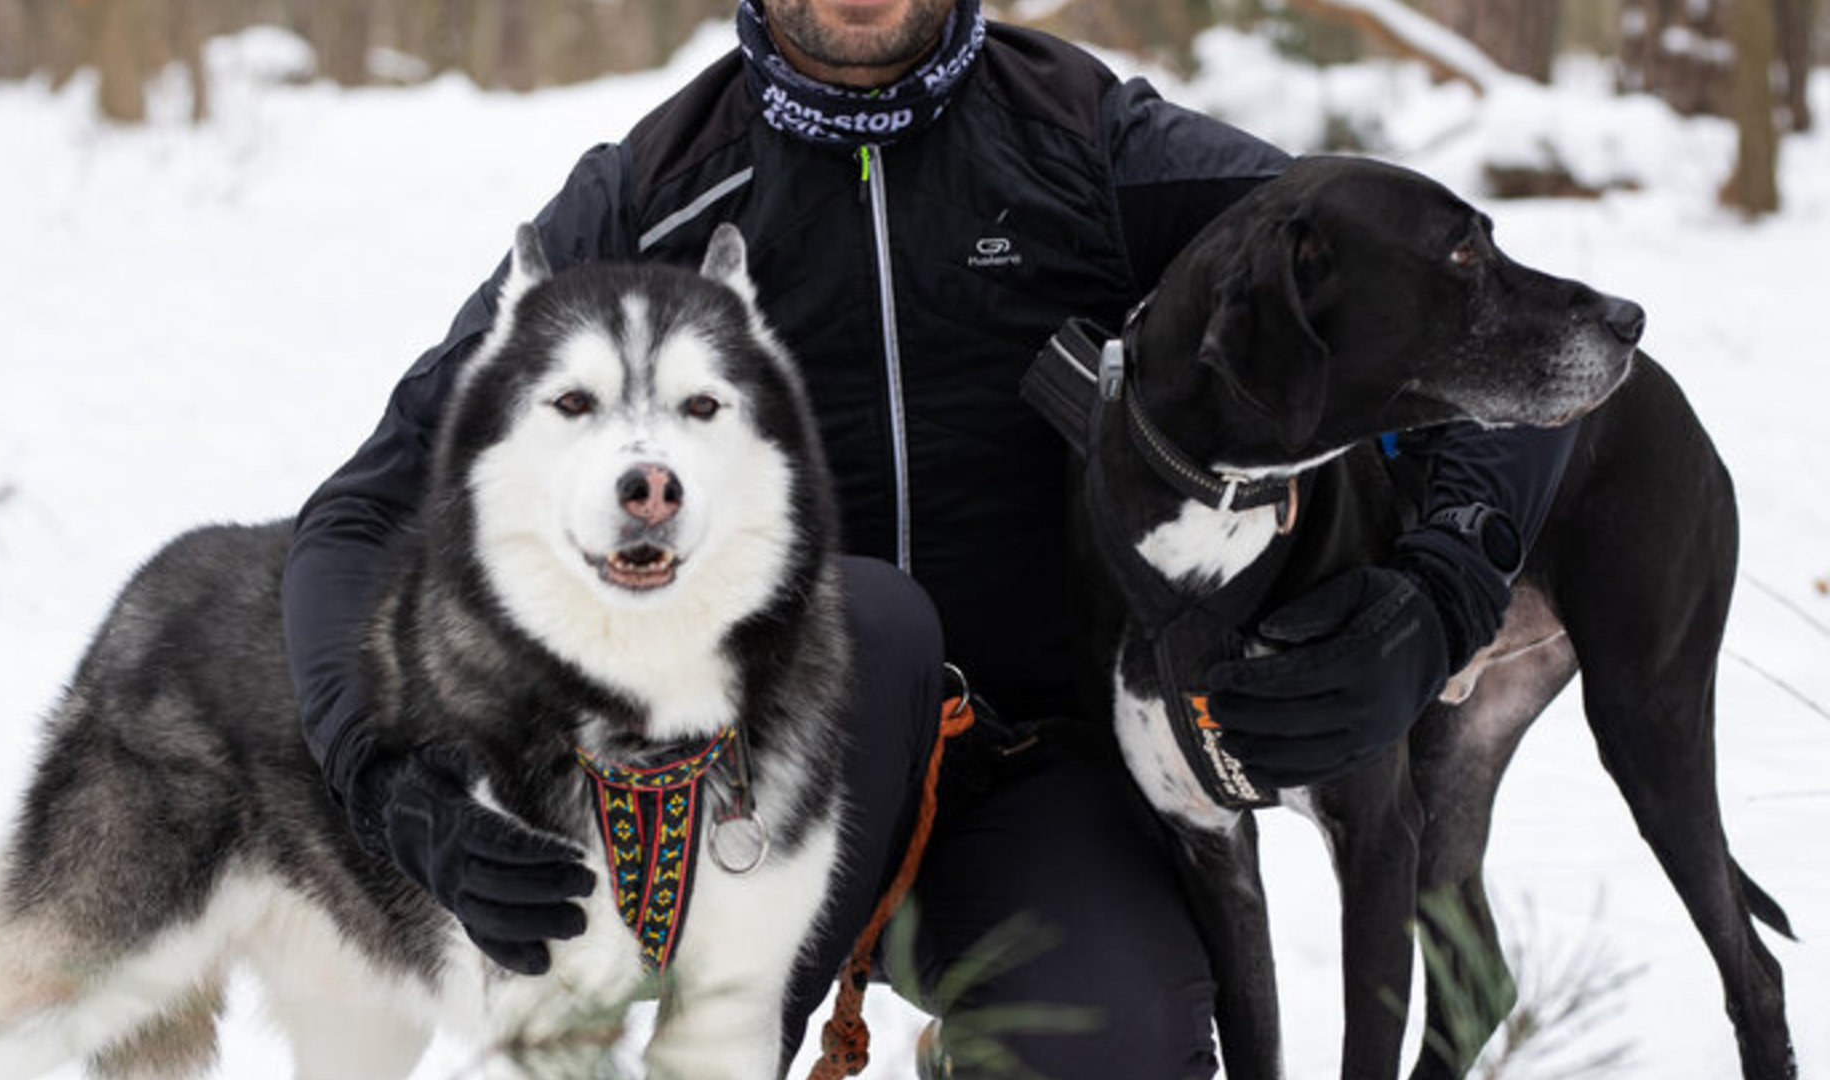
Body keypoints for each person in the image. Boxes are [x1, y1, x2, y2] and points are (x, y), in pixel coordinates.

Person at [279, 0, 1577, 1075]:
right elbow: (368, 510)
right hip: (722, 794)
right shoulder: (647, 199)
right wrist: (400, 790)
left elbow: (1499, 329)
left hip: (1036, 781)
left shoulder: (1098, 148)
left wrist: (1441, 593)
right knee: (865, 618)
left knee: (1118, 1039)